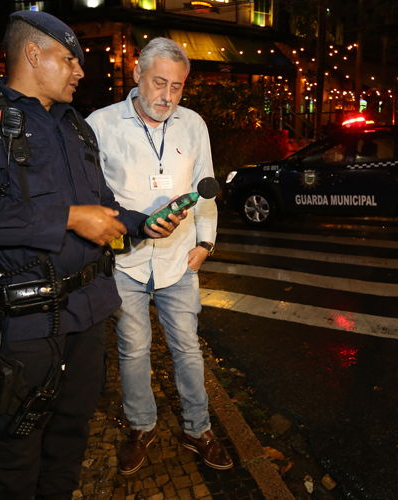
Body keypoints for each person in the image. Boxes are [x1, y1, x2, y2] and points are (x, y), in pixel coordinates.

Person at [0, 11, 180, 500]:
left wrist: (141, 224)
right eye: (70, 59)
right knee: (12, 456)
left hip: (86, 316)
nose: (80, 71)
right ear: (32, 54)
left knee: (69, 442)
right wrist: (68, 217)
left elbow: (101, 206)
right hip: (24, 323)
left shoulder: (75, 127)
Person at [86, 37, 232, 472]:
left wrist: (206, 243)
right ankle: (141, 426)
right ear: (137, 74)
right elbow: (95, 197)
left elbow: (207, 187)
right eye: (159, 83)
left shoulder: (194, 125)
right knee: (133, 349)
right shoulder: (100, 124)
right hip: (125, 262)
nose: (166, 96)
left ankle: (197, 428)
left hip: (179, 260)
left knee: (187, 348)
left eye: (177, 87)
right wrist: (114, 242)